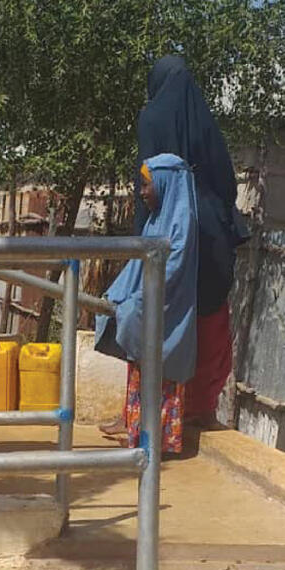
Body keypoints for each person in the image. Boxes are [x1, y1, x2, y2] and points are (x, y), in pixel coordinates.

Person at [135, 54, 249, 427]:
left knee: (152, 318)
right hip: (210, 232)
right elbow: (226, 181)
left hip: (166, 228)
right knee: (209, 320)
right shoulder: (205, 120)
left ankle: (145, 416)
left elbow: (147, 179)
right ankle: (200, 411)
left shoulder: (151, 118)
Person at [95, 154, 198, 456]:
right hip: (148, 306)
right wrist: (117, 295)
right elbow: (137, 267)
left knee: (162, 372)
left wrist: (138, 300)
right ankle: (137, 430)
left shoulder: (183, 221)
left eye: (145, 185)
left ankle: (160, 442)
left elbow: (172, 270)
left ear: (165, 183)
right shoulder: (157, 219)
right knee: (141, 368)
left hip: (168, 311)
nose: (141, 193)